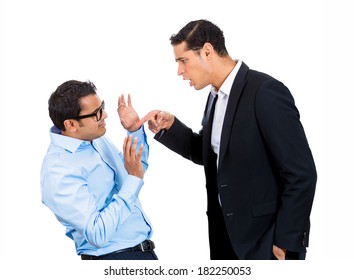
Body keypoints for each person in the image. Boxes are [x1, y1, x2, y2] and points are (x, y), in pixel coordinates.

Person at [142, 19, 317, 260]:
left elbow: (301, 173)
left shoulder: (265, 92)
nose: (180, 71)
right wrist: (170, 128)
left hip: (266, 244)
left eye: (183, 61)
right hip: (226, 240)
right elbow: (213, 156)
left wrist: (286, 240)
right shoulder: (215, 96)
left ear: (207, 51)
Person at [40, 80, 157, 260]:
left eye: (102, 107)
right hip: (113, 260)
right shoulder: (58, 169)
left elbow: (134, 172)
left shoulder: (95, 139)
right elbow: (97, 233)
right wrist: (133, 178)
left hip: (142, 252)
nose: (106, 115)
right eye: (97, 113)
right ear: (71, 125)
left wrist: (134, 131)